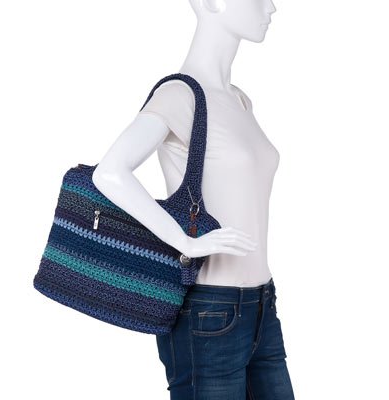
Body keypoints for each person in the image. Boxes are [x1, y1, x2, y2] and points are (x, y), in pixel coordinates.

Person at [92, 0, 295, 398]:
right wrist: (185, 241)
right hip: (209, 308)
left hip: (262, 304)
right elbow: (110, 172)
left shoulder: (239, 100)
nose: (271, 7)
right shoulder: (178, 95)